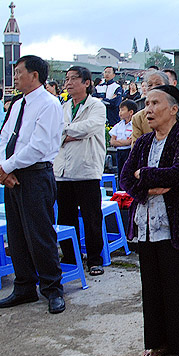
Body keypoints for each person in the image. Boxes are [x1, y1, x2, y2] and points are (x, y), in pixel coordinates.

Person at [120, 85, 179, 356]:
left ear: (173, 109)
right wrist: (153, 186)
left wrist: (144, 174)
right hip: (146, 226)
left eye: (155, 103)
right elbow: (125, 181)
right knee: (152, 287)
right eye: (147, 103)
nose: (149, 109)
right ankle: (157, 342)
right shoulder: (143, 142)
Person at [0, 55, 66, 314]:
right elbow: (4, 138)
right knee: (17, 235)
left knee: (40, 235)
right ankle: (24, 286)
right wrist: (3, 168)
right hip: (12, 177)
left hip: (35, 176)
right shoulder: (17, 105)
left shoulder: (48, 104)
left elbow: (39, 146)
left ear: (34, 75)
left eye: (18, 72)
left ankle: (52, 289)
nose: (14, 77)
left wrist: (7, 167)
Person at [54, 66, 108, 277]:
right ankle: (70, 256)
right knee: (66, 217)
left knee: (91, 217)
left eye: (73, 79)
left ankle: (95, 259)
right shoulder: (63, 106)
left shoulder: (97, 106)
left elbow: (90, 128)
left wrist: (65, 131)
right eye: (66, 79)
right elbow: (55, 132)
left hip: (86, 170)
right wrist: (68, 133)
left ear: (86, 83)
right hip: (64, 171)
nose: (68, 83)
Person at [130, 70, 169, 139]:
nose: (153, 88)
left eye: (158, 84)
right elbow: (136, 147)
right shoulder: (138, 119)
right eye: (150, 85)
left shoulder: (174, 113)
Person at [109, 99, 136, 177]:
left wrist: (119, 142)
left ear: (131, 112)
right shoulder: (118, 125)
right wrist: (123, 142)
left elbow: (131, 141)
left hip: (129, 152)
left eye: (122, 110)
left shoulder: (134, 125)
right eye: (119, 110)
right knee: (120, 173)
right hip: (119, 152)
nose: (120, 113)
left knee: (128, 173)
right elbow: (112, 141)